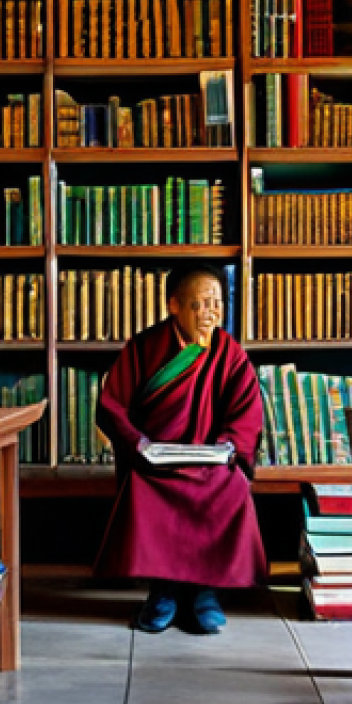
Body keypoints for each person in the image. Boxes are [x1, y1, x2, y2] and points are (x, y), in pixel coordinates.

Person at [94, 264, 266, 634]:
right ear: (174, 305)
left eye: (217, 303)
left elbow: (247, 411)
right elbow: (111, 405)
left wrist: (227, 446)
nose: (210, 312)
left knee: (231, 485)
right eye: (199, 304)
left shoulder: (229, 352)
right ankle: (163, 592)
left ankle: (205, 593)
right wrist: (138, 443)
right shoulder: (144, 348)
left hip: (210, 459)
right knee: (144, 488)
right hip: (156, 461)